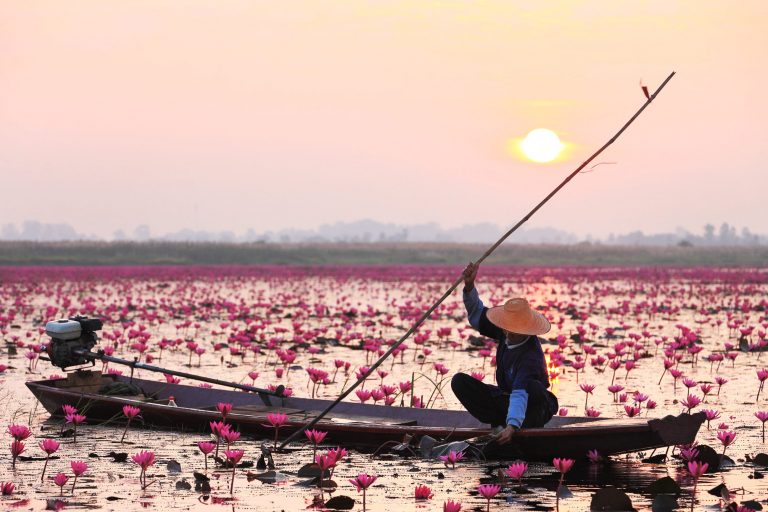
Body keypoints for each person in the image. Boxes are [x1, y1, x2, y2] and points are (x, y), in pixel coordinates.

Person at [451, 262, 558, 444]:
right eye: (507, 328)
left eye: (514, 330)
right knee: (460, 382)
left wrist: (512, 426)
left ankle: (512, 426)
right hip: (508, 399)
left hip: (535, 407)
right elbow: (477, 315)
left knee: (532, 388)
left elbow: (520, 393)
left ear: (526, 329)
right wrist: (469, 286)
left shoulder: (530, 356)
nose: (508, 333)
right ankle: (501, 423)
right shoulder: (505, 330)